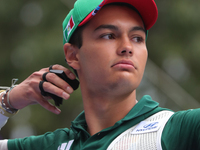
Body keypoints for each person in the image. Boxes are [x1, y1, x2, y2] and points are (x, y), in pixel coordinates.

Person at [0, 0, 200, 149]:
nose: (127, 47)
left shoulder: (177, 131)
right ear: (73, 55)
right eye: (109, 35)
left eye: (137, 38)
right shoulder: (56, 145)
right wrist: (10, 100)